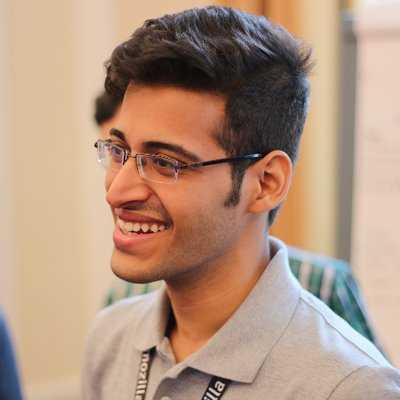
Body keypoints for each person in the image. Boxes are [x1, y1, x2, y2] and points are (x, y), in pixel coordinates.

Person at [83, 6, 400, 399]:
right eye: (118, 151)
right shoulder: (110, 339)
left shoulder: (350, 387)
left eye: (165, 162)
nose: (117, 191)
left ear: (266, 183)